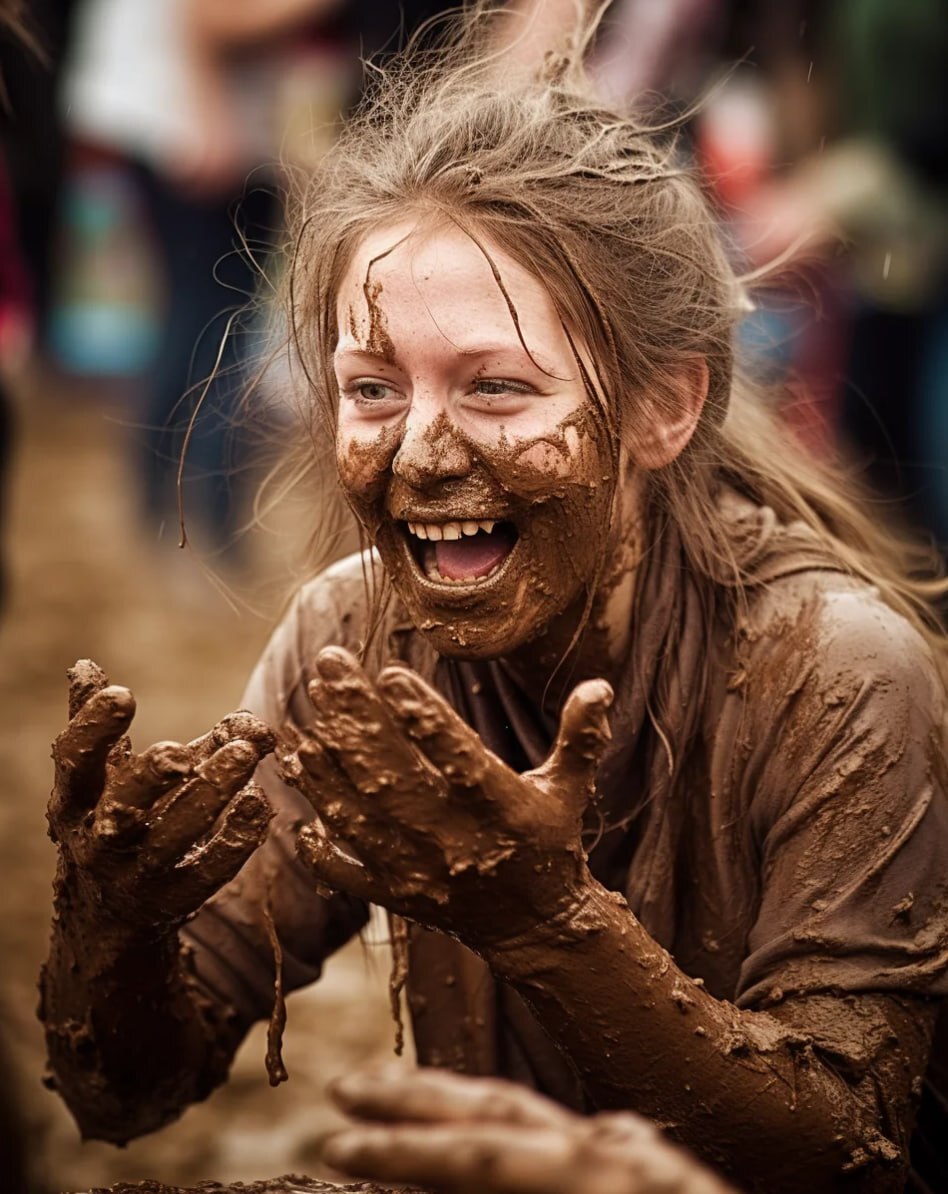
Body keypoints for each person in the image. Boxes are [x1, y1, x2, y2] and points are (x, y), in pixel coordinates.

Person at [39, 5, 948, 1192]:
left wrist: (546, 926)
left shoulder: (834, 668)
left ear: (664, 408)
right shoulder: (352, 642)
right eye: (371, 387)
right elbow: (125, 1094)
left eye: (500, 388)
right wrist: (115, 933)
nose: (419, 453)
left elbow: (850, 1148)